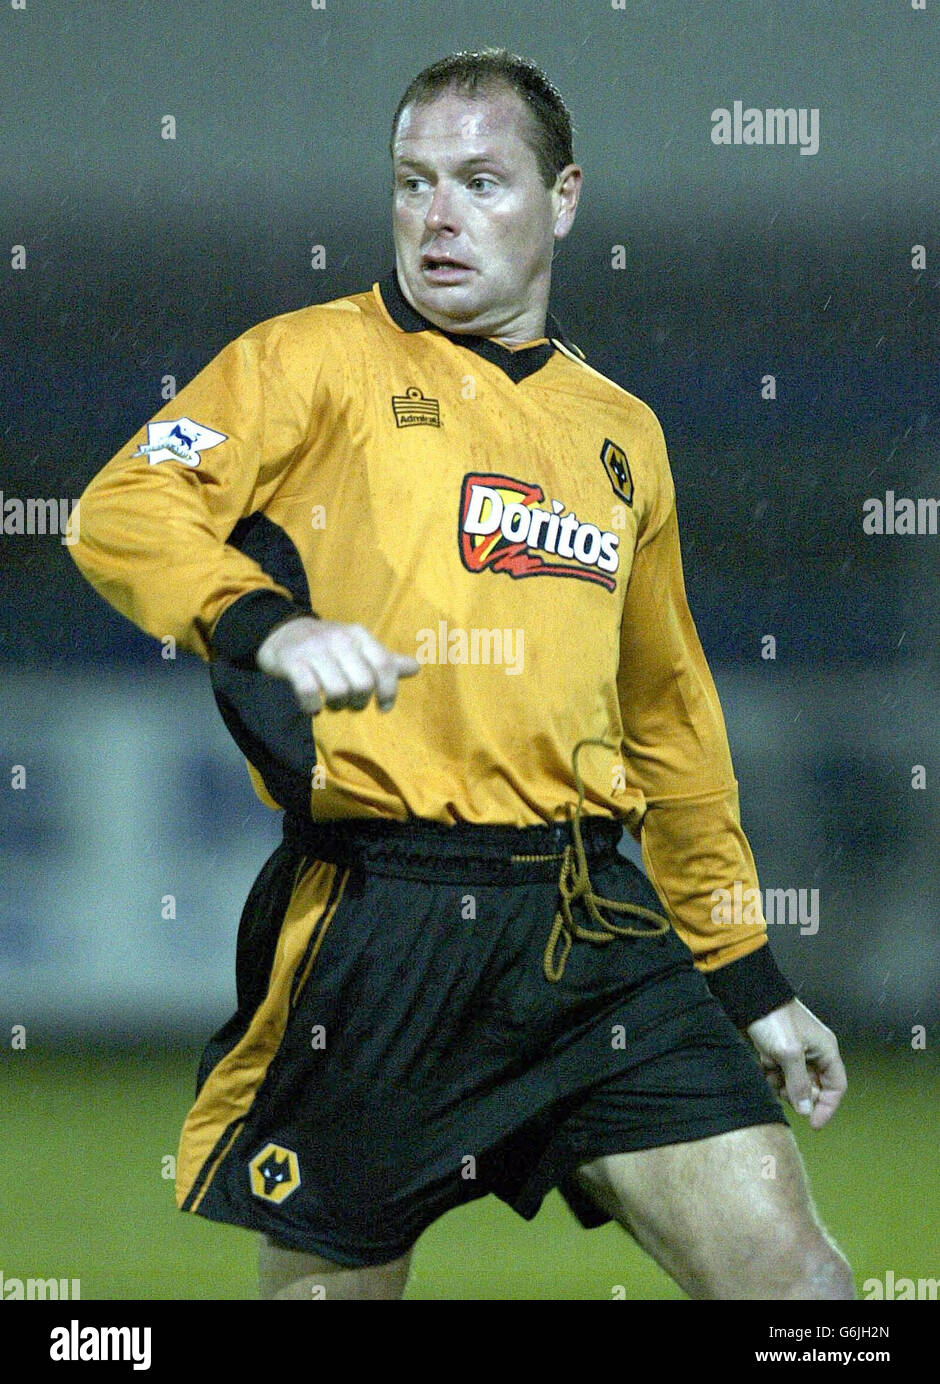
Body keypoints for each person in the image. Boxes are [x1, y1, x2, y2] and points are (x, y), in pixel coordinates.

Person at [68, 48, 854, 1301]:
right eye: (412, 182)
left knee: (800, 1288)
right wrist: (263, 621)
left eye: (480, 182)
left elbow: (668, 717)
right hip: (382, 925)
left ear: (564, 199)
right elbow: (119, 508)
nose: (436, 217)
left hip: (587, 918)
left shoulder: (620, 431)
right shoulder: (306, 363)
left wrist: (746, 971)